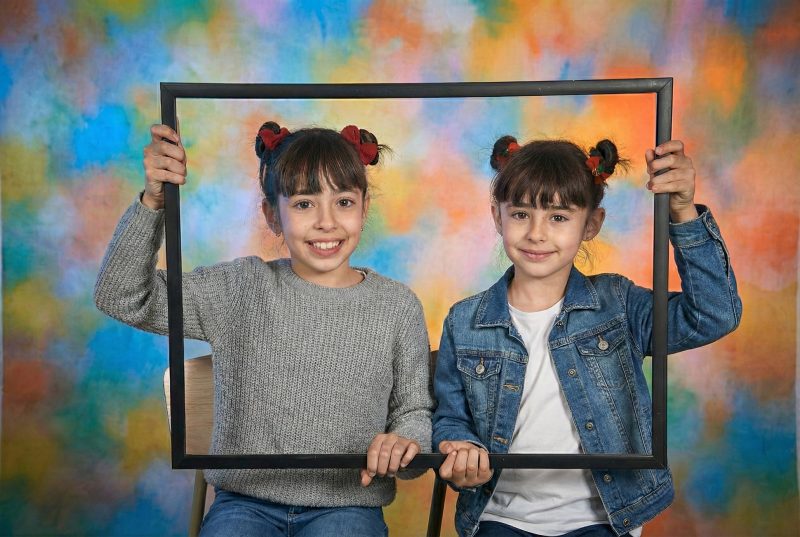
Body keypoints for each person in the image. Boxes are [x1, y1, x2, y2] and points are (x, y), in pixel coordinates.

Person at [94, 121, 433, 537]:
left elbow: (414, 412)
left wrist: (404, 443)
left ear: (364, 208)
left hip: (349, 506)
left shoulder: (397, 306)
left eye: (343, 202)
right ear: (273, 215)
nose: (326, 222)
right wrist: (153, 202)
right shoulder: (241, 288)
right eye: (304, 204)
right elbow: (122, 295)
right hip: (245, 504)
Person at [432, 136, 742, 537]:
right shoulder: (464, 321)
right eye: (521, 214)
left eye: (558, 217)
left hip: (602, 519)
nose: (537, 233)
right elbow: (451, 419)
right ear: (497, 216)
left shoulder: (618, 304)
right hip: (500, 517)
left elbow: (714, 314)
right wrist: (460, 449)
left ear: (591, 224)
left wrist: (682, 210)